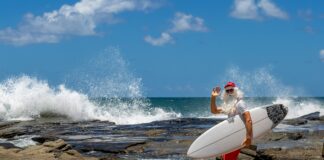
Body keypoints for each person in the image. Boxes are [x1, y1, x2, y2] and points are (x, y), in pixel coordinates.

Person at [210, 82, 253, 160]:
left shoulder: (240, 104)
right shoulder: (228, 106)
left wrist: (248, 137)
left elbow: (248, 119)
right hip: (231, 136)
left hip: (237, 137)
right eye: (227, 91)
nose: (229, 92)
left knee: (228, 158)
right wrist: (213, 97)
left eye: (231, 90)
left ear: (236, 91)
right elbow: (214, 111)